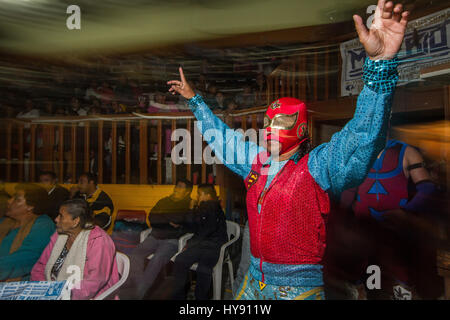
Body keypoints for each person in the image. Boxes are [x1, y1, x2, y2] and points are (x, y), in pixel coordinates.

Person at [168, 0, 409, 300]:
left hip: (297, 290)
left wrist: (380, 65)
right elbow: (222, 139)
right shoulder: (256, 162)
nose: (272, 126)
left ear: (303, 128)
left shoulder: (317, 167)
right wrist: (195, 101)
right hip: (253, 282)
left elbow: (361, 137)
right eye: (269, 120)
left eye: (282, 120)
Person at [343, 140, 442, 299]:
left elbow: (427, 189)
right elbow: (347, 192)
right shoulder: (357, 154)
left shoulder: (407, 152)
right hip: (364, 233)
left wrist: (405, 212)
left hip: (394, 233)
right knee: (369, 284)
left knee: (399, 280)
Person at [31, 199, 119, 300]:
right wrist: (42, 290)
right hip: (52, 291)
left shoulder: (98, 241)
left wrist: (63, 295)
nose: (56, 219)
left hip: (88, 295)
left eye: (61, 216)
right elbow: (40, 266)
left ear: (75, 221)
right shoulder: (58, 236)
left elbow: (95, 281)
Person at [120, 179, 193, 300]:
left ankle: (139, 294)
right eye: (176, 186)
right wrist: (168, 220)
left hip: (171, 240)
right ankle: (138, 284)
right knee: (135, 254)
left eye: (180, 187)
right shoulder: (164, 200)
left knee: (156, 260)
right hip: (155, 236)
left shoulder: (188, 205)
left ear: (187, 192)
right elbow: (152, 217)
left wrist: (162, 216)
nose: (176, 189)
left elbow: (179, 219)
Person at [171, 184, 228, 300]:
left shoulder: (213, 208)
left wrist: (189, 244)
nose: (197, 196)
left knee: (203, 268)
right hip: (202, 244)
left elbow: (206, 231)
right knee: (180, 260)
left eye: (199, 194)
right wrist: (191, 209)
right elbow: (193, 227)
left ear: (207, 196)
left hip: (214, 246)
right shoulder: (203, 207)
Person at [0, 183, 55, 281]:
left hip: (20, 286)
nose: (9, 201)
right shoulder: (5, 222)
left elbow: (26, 258)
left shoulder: (43, 225)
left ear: (30, 206)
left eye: (17, 199)